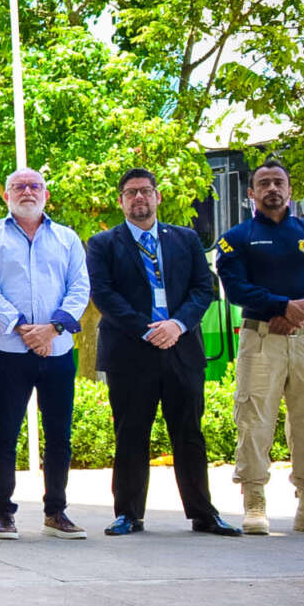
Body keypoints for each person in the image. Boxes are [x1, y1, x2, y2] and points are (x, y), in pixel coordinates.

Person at [89, 169, 241, 538]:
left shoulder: (186, 239)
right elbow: (104, 294)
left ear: (158, 197)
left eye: (145, 191)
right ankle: (128, 514)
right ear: (121, 201)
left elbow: (203, 289)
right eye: (130, 193)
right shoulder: (103, 243)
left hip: (181, 349)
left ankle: (203, 514)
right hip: (131, 352)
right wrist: (147, 328)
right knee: (130, 434)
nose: (139, 198)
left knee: (189, 433)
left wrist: (177, 325)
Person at [216, 158, 304, 535]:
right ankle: (254, 504)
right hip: (260, 339)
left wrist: (298, 312)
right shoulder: (236, 238)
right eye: (265, 183)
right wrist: (280, 306)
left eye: (279, 182)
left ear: (290, 191)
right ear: (251, 194)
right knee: (254, 420)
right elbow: (236, 289)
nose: (272, 189)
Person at [0, 168, 91, 541]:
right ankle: (3, 514)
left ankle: (56, 512)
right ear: (6, 195)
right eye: (18, 186)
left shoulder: (67, 238)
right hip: (10, 350)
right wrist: (22, 326)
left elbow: (80, 287)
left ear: (46, 194)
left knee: (59, 435)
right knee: (5, 434)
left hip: (57, 349)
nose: (27, 191)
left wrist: (52, 329)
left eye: (34, 186)